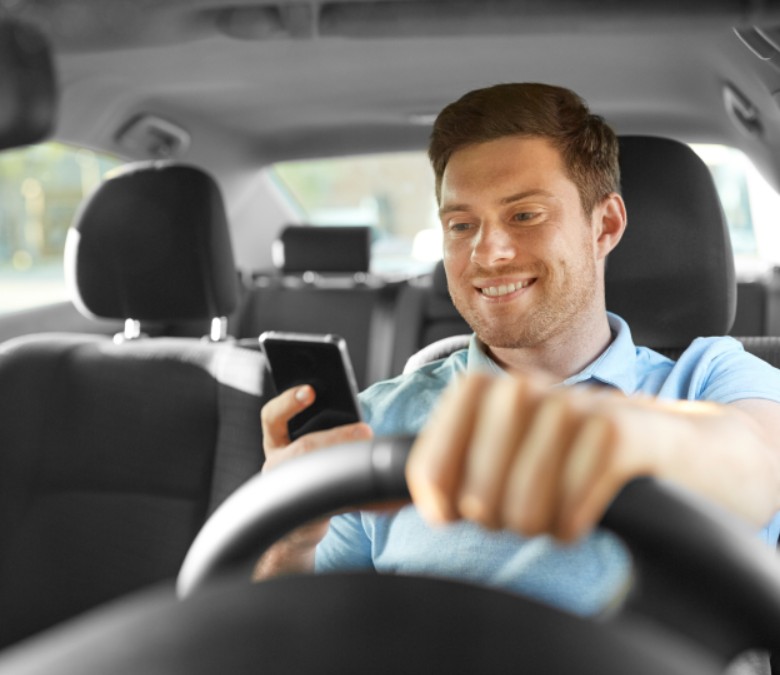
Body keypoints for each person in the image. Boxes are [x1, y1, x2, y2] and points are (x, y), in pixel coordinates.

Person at [254, 82, 780, 616]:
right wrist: (290, 541)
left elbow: (756, 462)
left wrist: (610, 439)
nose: (488, 253)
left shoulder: (717, 377)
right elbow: (300, 631)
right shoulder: (374, 421)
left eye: (525, 215)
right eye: (462, 225)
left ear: (605, 226)